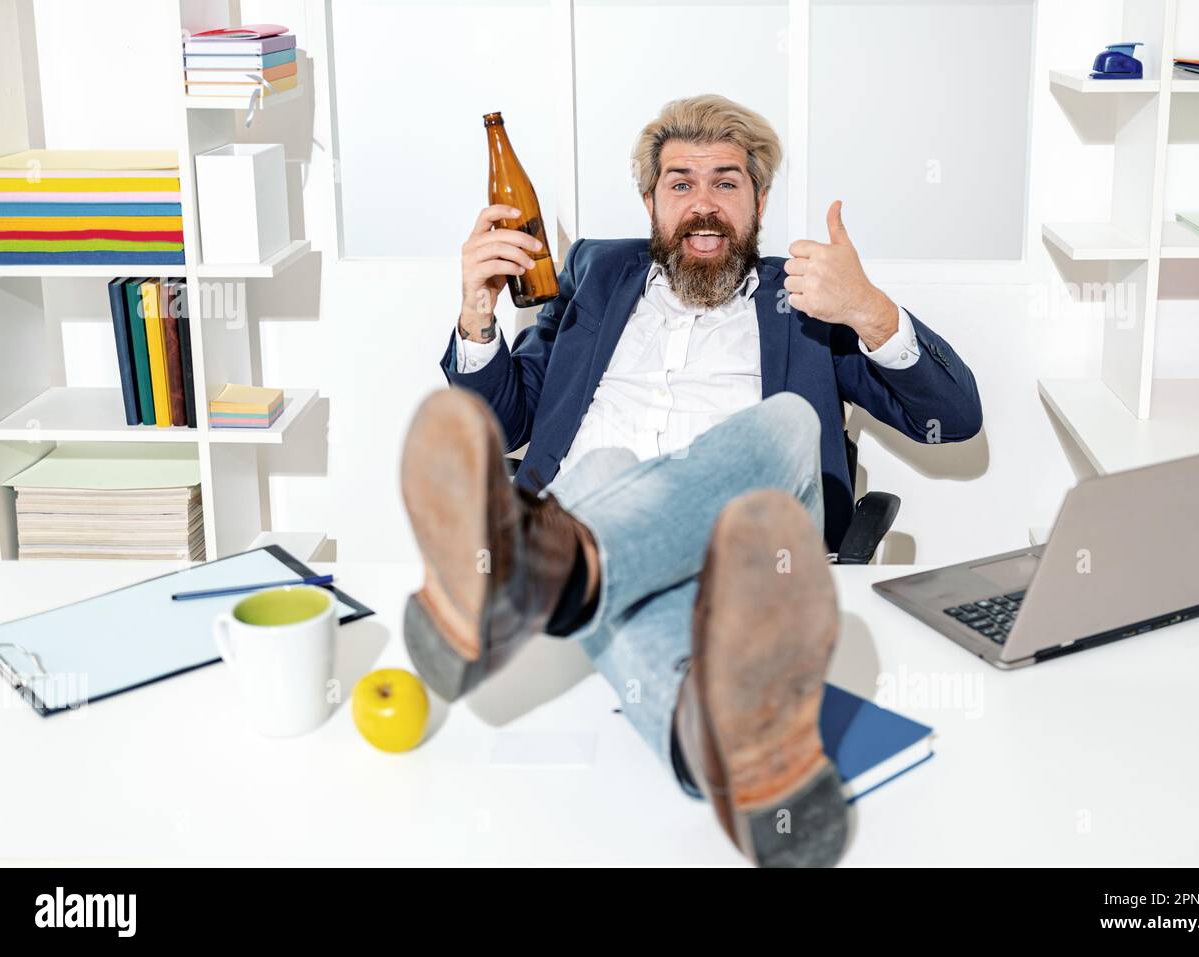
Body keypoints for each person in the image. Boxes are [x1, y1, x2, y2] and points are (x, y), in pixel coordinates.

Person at [403, 94, 982, 867]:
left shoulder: (806, 296)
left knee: (789, 425)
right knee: (604, 469)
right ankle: (715, 740)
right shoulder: (595, 275)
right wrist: (478, 316)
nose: (702, 205)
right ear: (650, 201)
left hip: (752, 556)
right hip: (617, 541)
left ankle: (547, 573)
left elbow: (954, 415)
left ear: (760, 202)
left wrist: (871, 311)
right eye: (680, 183)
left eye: (725, 182)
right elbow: (505, 426)